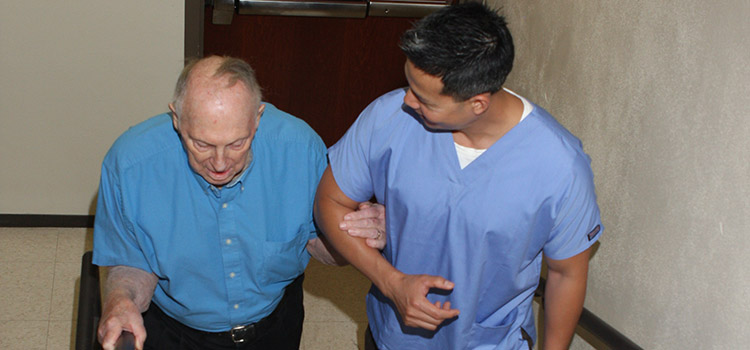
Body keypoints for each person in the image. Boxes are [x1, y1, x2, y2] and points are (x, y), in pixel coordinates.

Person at [314, 3, 603, 349]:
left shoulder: (560, 167)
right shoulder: (387, 118)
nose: (406, 100)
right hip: (393, 338)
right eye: (408, 84)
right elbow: (329, 200)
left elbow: (566, 273)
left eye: (424, 98)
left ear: (477, 103)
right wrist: (391, 283)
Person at [92, 55, 385, 350]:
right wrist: (121, 302)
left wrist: (356, 236)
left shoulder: (300, 150)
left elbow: (319, 246)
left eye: (236, 144)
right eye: (202, 144)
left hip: (275, 324)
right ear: (176, 119)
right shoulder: (129, 165)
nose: (220, 164)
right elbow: (130, 262)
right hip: (176, 331)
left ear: (258, 118)